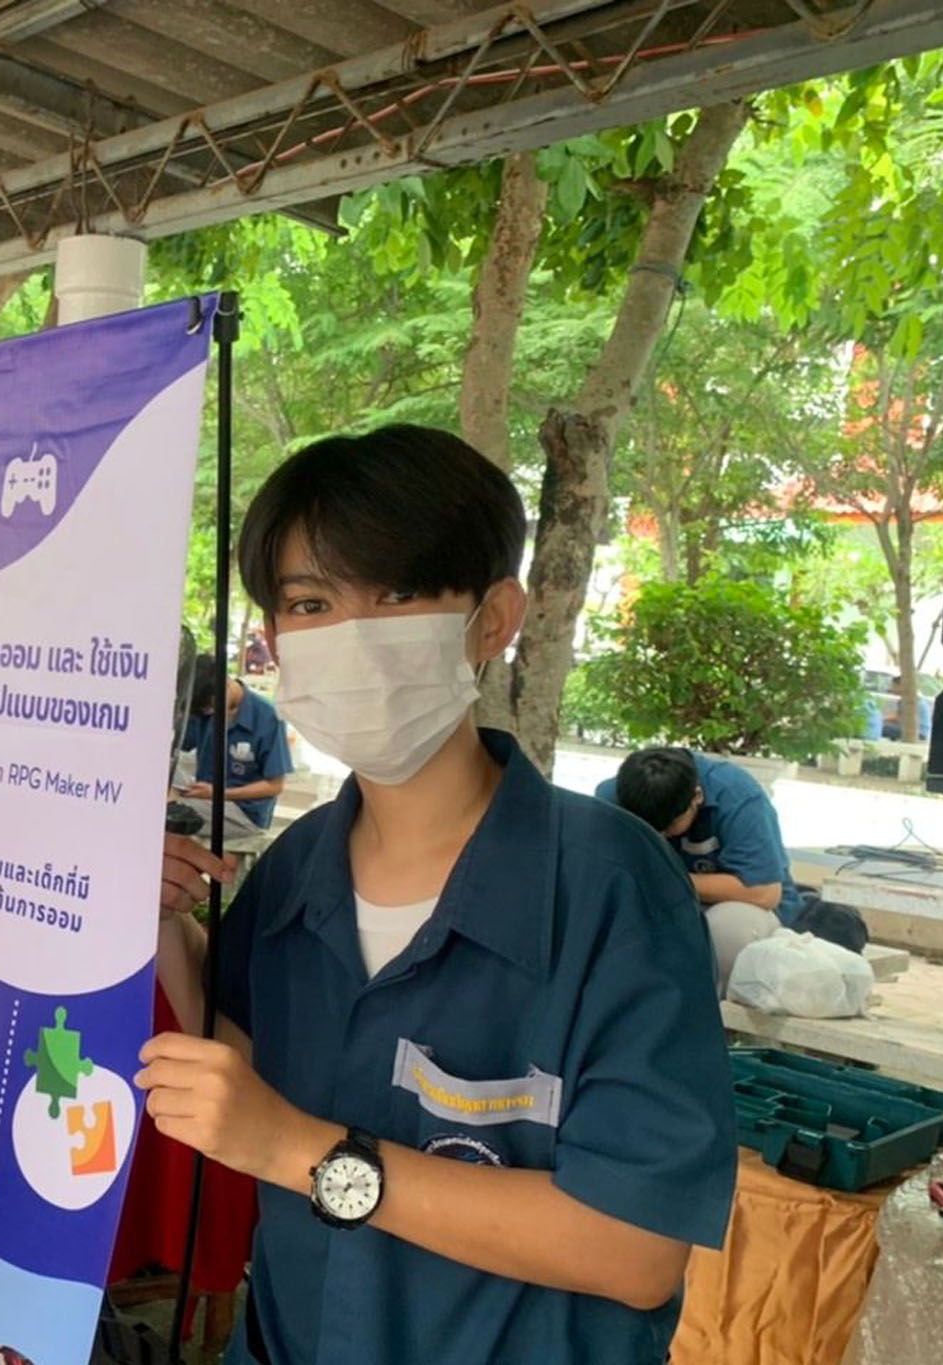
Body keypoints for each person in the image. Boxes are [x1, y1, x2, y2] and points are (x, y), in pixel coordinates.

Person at [138, 427, 735, 1365]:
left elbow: (635, 1247)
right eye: (310, 601)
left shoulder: (612, 890)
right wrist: (165, 920)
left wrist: (302, 1153)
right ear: (274, 640)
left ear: (493, 619)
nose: (352, 633)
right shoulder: (296, 870)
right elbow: (249, 1058)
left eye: (400, 592)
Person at [596, 746, 803, 995]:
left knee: (728, 928)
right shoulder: (612, 797)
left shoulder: (737, 795)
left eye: (668, 826)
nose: (659, 835)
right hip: (661, 905)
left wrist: (666, 878)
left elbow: (763, 892)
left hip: (736, 911)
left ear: (697, 797)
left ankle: (717, 1022)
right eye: (648, 826)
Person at [179, 653, 292, 831]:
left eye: (211, 706)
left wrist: (218, 794)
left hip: (244, 813)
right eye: (204, 710)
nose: (209, 713)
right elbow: (179, 744)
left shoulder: (268, 718)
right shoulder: (203, 712)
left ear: (226, 683)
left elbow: (275, 786)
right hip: (204, 799)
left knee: (171, 817)